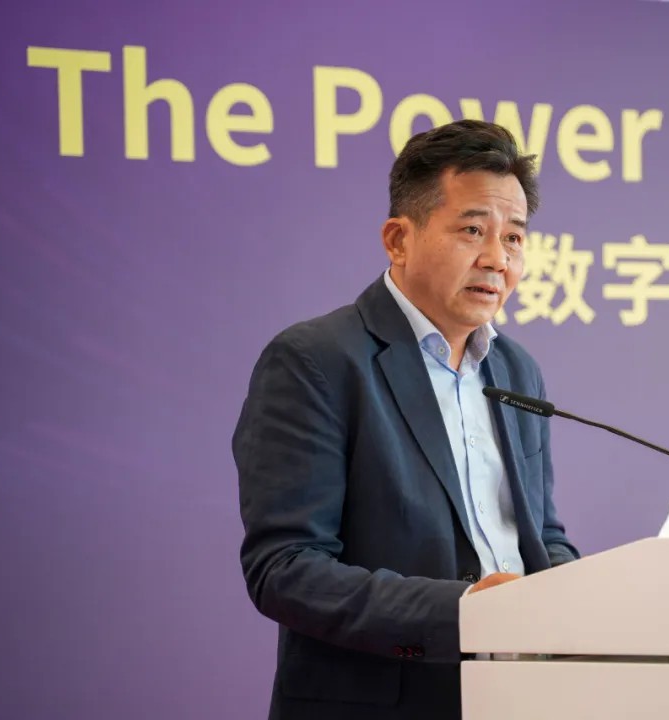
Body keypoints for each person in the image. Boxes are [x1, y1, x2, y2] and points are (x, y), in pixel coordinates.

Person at [232, 119, 580, 720]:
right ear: (399, 239)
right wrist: (465, 611)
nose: (497, 259)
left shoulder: (516, 370)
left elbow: (541, 536)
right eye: (473, 230)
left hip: (517, 700)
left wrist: (592, 598)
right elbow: (285, 569)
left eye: (514, 237)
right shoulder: (317, 361)